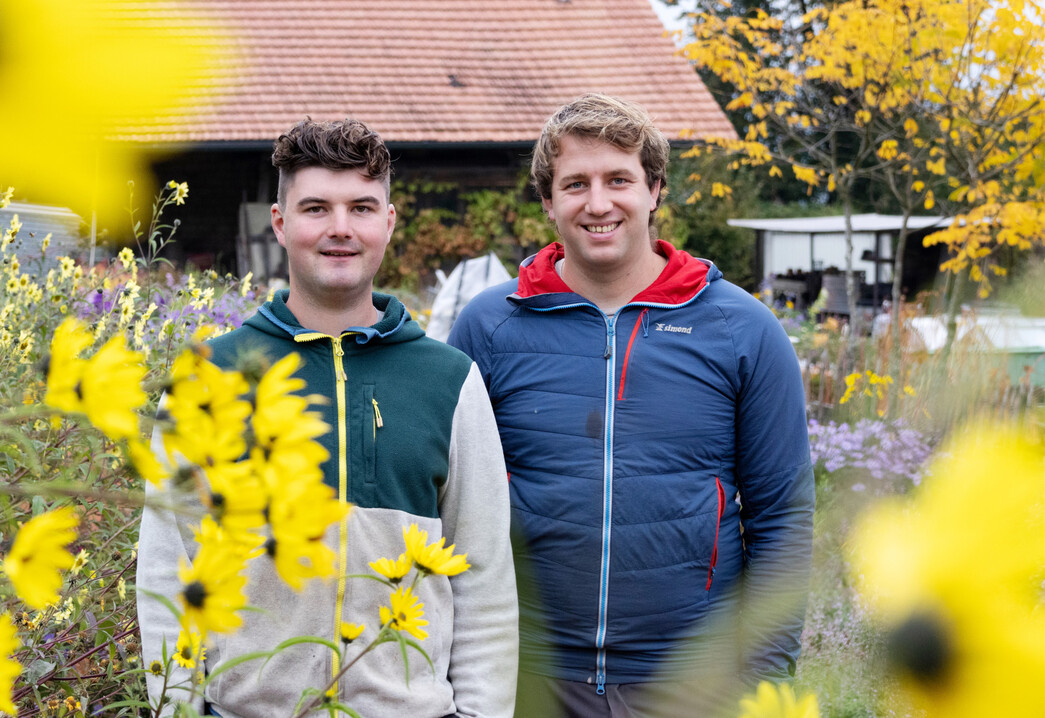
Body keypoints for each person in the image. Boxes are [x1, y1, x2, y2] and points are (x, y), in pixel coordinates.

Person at [137, 118, 518, 718]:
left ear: (387, 224)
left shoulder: (450, 381)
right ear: (281, 223)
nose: (341, 229)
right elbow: (167, 570)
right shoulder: (207, 376)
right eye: (316, 208)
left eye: (362, 207)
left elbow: (484, 578)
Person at [448, 94, 814, 717]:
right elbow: (449, 506)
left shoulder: (741, 330)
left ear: (654, 190)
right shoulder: (489, 328)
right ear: (547, 200)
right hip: (527, 677)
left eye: (619, 179)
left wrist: (765, 678)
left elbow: (783, 517)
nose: (598, 204)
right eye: (575, 184)